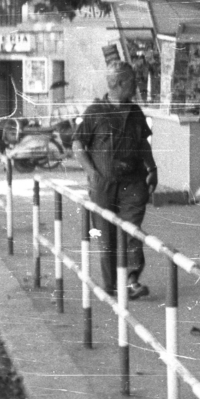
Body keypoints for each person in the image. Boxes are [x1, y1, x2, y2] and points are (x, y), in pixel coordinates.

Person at [74, 63, 158, 300]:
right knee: (105, 235)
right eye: (132, 81)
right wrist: (91, 173)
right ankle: (111, 286)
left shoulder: (135, 112)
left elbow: (143, 143)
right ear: (120, 84)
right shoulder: (94, 112)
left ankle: (132, 281)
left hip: (133, 182)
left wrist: (152, 168)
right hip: (103, 184)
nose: (136, 85)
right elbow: (78, 144)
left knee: (132, 230)